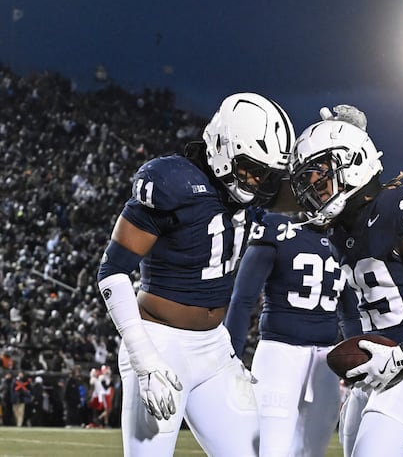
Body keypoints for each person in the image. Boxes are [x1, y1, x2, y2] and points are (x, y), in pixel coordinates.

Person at [96, 92, 295, 456]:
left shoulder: (246, 193)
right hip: (161, 345)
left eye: (264, 173)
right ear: (223, 148)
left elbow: (305, 197)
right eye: (250, 167)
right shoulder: (173, 182)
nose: (256, 180)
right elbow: (112, 272)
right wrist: (144, 359)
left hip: (214, 349)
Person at [288, 105, 403, 457]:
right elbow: (352, 306)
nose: (316, 194)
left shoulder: (399, 206)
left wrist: (402, 355)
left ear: (353, 163)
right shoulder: (340, 227)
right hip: (375, 369)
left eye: (322, 181)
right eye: (311, 186)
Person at [224, 209, 361, 457]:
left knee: (312, 451)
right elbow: (242, 299)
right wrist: (231, 357)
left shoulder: (345, 241)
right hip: (280, 354)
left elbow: (350, 314)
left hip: (326, 361)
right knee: (273, 448)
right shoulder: (278, 228)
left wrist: (358, 364)